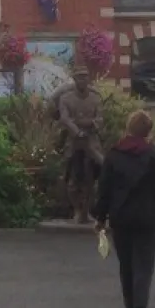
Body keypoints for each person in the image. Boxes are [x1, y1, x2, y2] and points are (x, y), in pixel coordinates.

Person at [93, 110, 155, 308]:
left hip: (121, 219)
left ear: (128, 128)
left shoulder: (113, 155)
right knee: (143, 270)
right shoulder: (152, 156)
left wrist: (100, 217)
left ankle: (130, 304)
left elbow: (104, 189)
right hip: (147, 219)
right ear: (148, 132)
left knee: (126, 268)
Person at [55, 68, 105, 223]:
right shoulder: (66, 98)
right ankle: (76, 210)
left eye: (85, 77)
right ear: (74, 79)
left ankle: (86, 211)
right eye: (79, 78)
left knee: (92, 177)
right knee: (73, 177)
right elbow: (65, 119)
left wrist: (93, 125)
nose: (82, 80)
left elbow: (100, 118)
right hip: (74, 142)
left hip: (92, 141)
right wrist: (77, 131)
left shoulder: (95, 98)